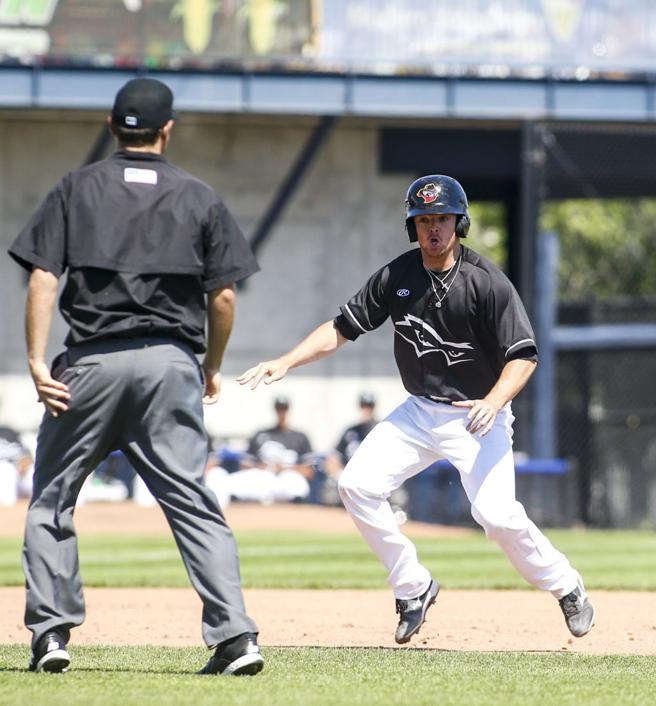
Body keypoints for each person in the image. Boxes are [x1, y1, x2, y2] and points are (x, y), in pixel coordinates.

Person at [237, 174, 595, 644]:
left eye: (442, 219)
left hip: (476, 413)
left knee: (498, 516)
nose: (433, 229)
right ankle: (413, 587)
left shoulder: (487, 283)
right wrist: (286, 360)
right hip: (419, 411)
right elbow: (342, 328)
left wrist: (494, 400)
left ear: (459, 222)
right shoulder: (398, 276)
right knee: (356, 485)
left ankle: (567, 585)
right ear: (413, 226)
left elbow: (524, 356)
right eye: (423, 219)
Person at [7, 77, 264, 675]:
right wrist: (211, 365)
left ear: (111, 124)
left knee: (52, 498)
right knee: (192, 501)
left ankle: (51, 636)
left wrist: (37, 360)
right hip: (170, 366)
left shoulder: (76, 187)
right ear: (167, 129)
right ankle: (235, 639)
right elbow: (223, 296)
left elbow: (43, 278)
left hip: (90, 366)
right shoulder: (199, 196)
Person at [209, 396, 313, 504]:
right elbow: (245, 464)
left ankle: (294, 509)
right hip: (263, 477)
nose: (281, 411)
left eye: (284, 408)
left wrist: (285, 468)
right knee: (228, 481)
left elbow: (309, 471)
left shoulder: (300, 437)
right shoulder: (261, 434)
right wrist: (262, 467)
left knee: (297, 485)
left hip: (287, 478)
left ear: (288, 410)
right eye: (279, 408)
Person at [0, 423, 33, 507]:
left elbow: (26, 455)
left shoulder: (7, 431)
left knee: (33, 470)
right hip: (5, 474)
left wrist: (24, 463)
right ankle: (9, 512)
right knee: (6, 469)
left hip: (20, 474)